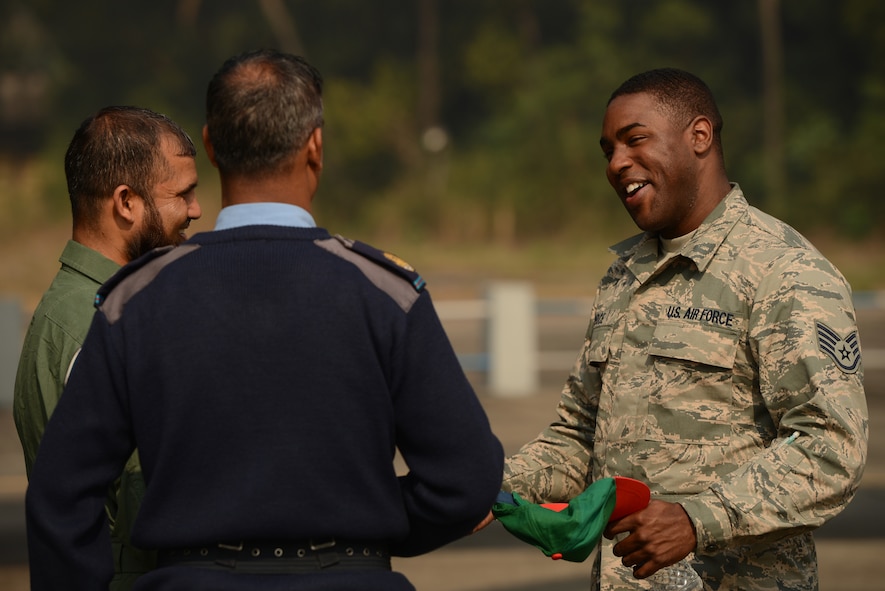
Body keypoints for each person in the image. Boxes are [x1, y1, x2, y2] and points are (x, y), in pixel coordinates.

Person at [25, 49, 504, 591]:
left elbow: (61, 496)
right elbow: (467, 479)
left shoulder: (134, 301)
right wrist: (366, 524)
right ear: (315, 145)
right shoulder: (385, 294)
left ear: (210, 145)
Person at [486, 68, 868, 590]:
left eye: (635, 139)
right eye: (608, 150)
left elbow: (831, 449)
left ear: (700, 136)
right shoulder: (623, 278)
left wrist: (697, 520)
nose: (617, 163)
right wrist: (484, 486)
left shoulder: (784, 271)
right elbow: (578, 436)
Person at [14, 105, 202, 590]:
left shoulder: (82, 310)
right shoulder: (99, 323)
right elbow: (151, 500)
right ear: (126, 203)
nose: (196, 210)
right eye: (182, 194)